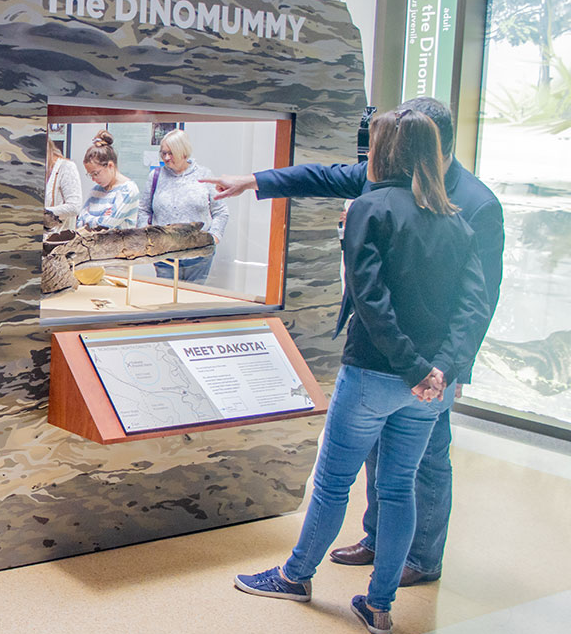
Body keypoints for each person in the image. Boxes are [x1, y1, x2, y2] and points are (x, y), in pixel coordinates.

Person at [205, 97, 504, 586]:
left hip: (430, 364)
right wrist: (254, 181)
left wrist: (447, 370)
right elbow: (325, 176)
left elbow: (478, 300)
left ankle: (420, 558)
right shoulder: (386, 180)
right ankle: (379, 545)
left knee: (421, 464)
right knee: (382, 463)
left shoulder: (475, 204)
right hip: (408, 361)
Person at [138, 128, 228, 282]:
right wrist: (146, 236)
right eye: (163, 152)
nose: (166, 157)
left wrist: (214, 236)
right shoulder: (156, 176)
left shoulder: (204, 175)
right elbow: (144, 209)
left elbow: (221, 211)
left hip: (199, 255)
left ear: (184, 153)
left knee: (193, 300)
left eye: (171, 153)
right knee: (165, 299)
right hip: (164, 254)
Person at [76, 130, 140, 229]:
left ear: (110, 165)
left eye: (96, 173)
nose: (93, 179)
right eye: (90, 175)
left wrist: (89, 218)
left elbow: (106, 226)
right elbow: (80, 221)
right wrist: (102, 217)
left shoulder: (128, 190)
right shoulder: (96, 190)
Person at [44, 137, 83, 232]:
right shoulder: (40, 170)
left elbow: (74, 207)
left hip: (59, 238)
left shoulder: (66, 167)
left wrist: (43, 213)